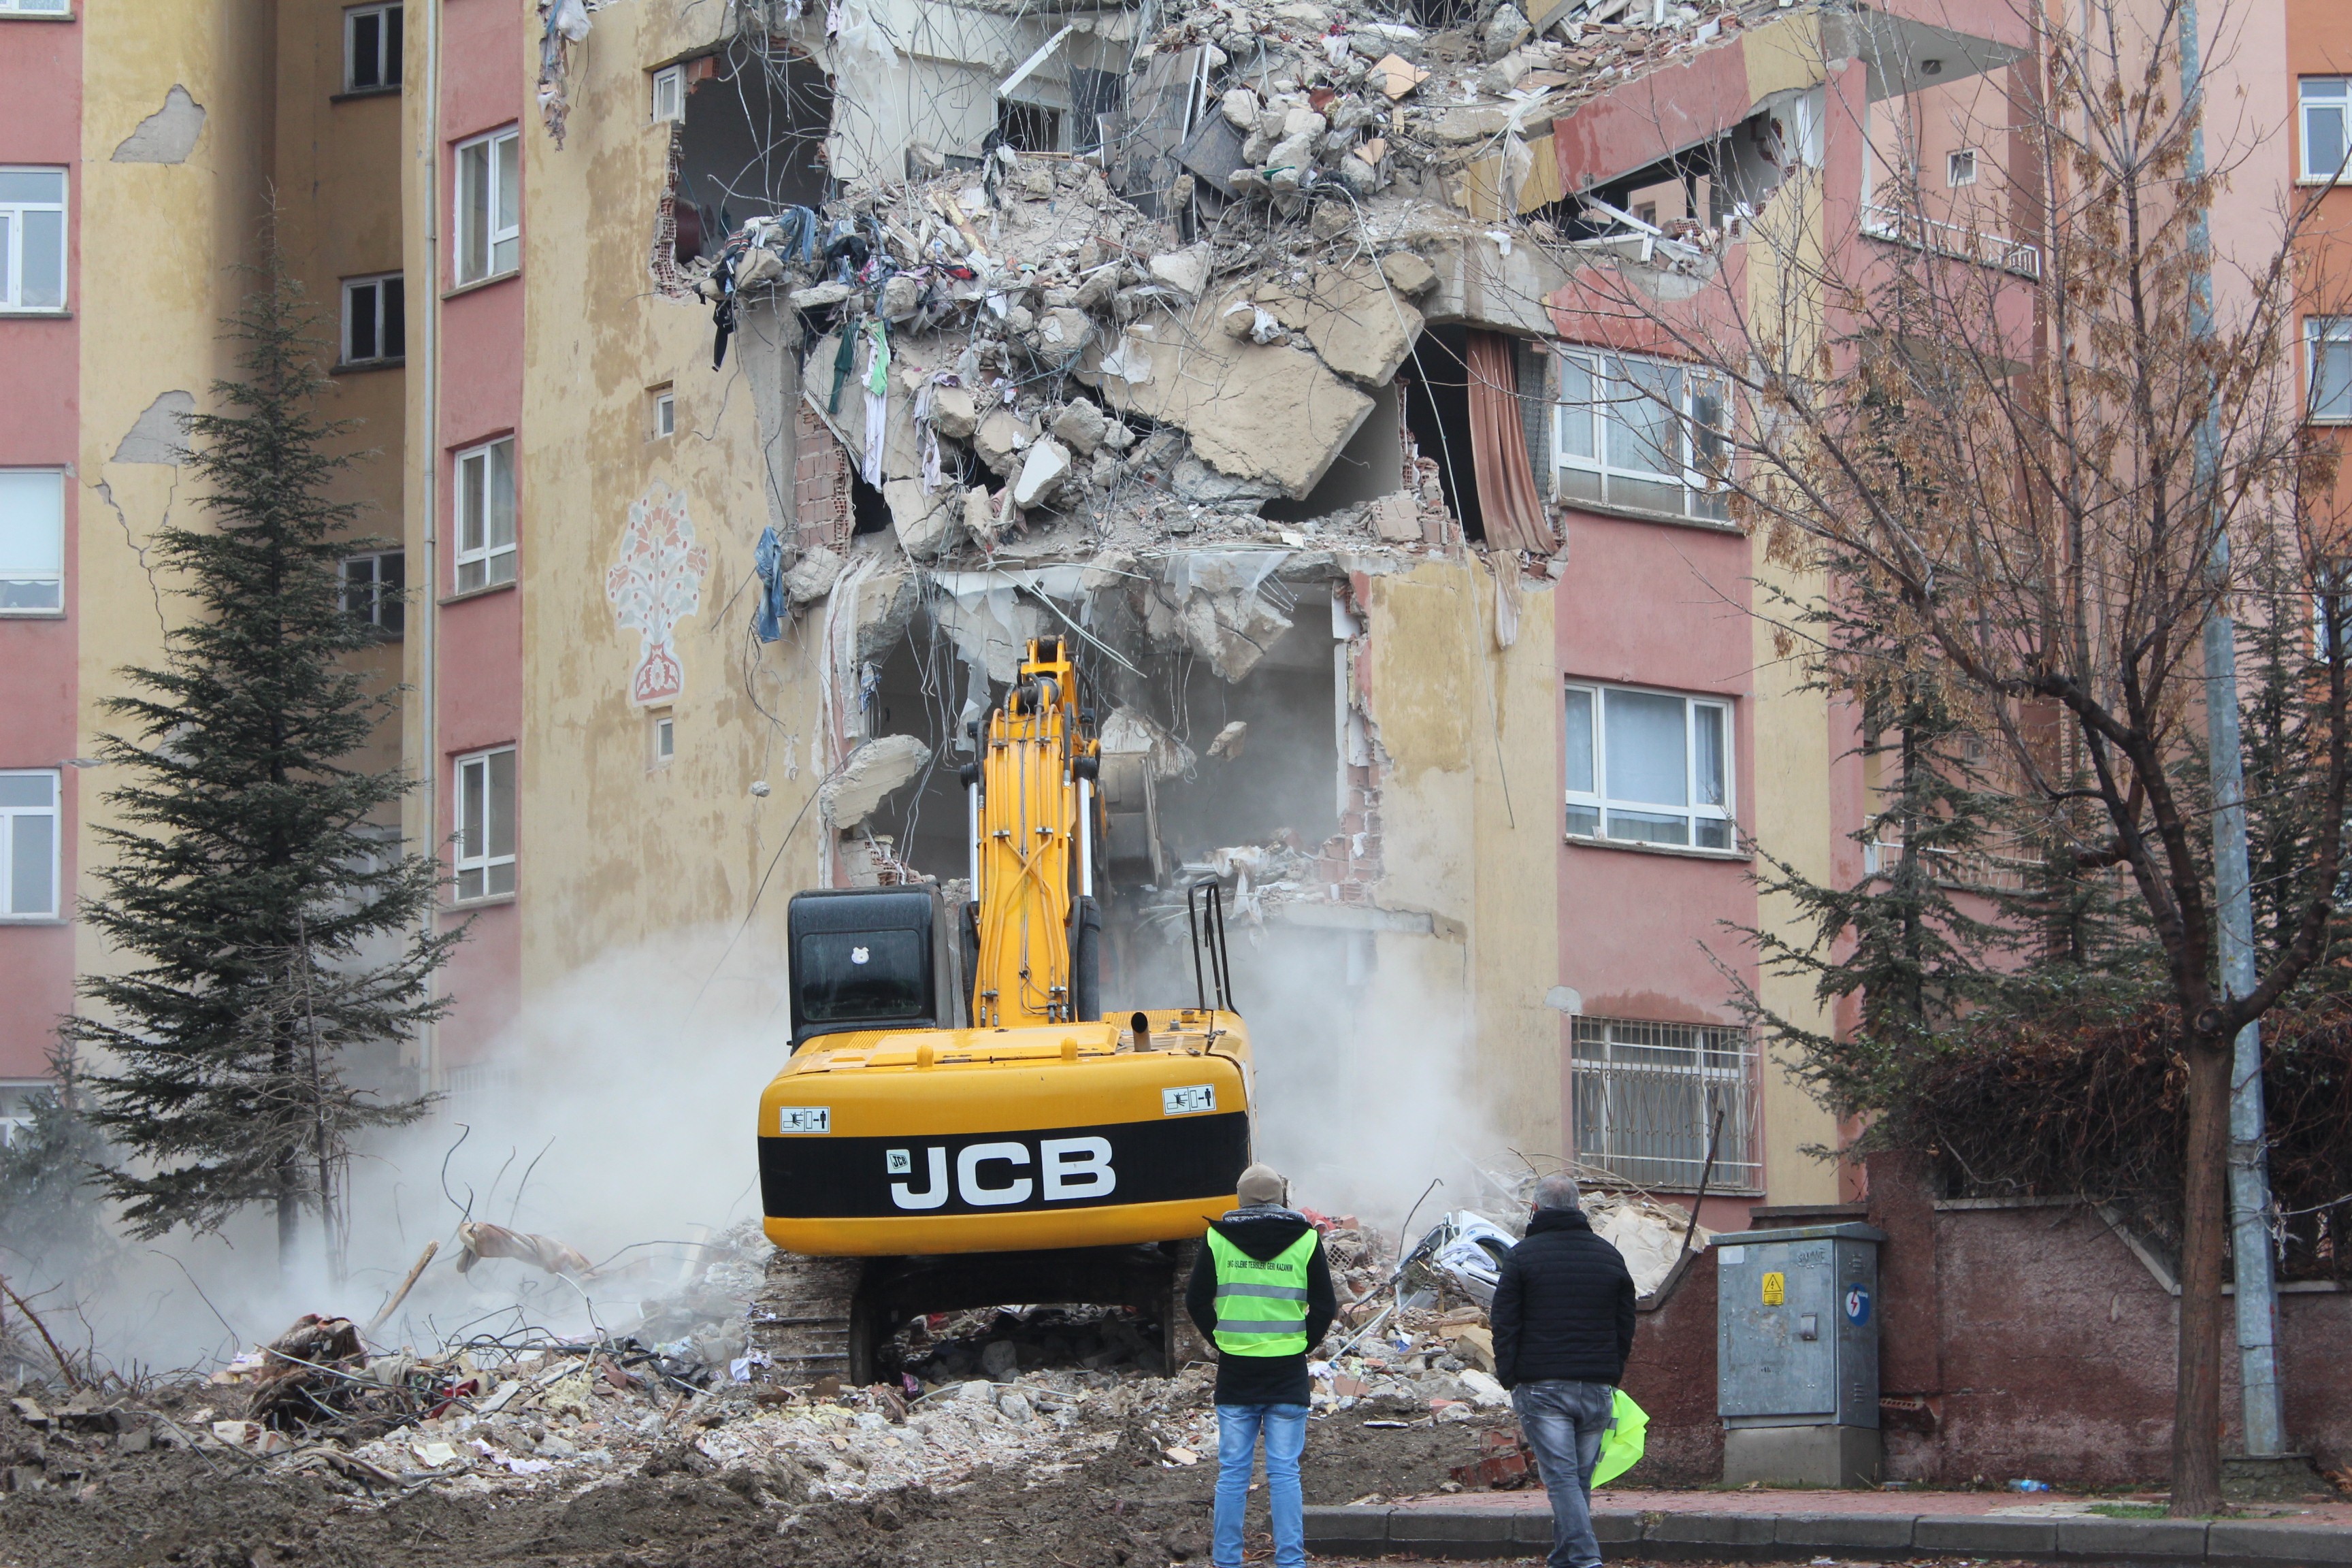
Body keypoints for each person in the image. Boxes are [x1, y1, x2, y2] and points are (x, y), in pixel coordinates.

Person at [1186, 1162, 1337, 1568]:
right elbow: (1326, 1305)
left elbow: (1195, 1301)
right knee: (1285, 1472)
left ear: (1240, 1199)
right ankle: (1290, 1562)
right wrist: (1301, 1344)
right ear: (1281, 1198)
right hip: (1287, 1374)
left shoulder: (1218, 1239)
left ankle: (1227, 1562)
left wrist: (1222, 1339)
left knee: (1233, 1473)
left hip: (1236, 1374)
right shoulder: (1305, 1239)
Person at [1489, 1172, 1637, 1568]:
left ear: (1535, 1208)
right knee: (1578, 1482)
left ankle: (1587, 1559)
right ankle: (1563, 1559)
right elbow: (1626, 1322)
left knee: (1561, 1481)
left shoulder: (1522, 1255)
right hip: (1597, 1387)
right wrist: (1613, 1370)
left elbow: (1504, 1321)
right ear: (1579, 1208)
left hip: (1542, 1387)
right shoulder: (1609, 1255)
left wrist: (1511, 1376)